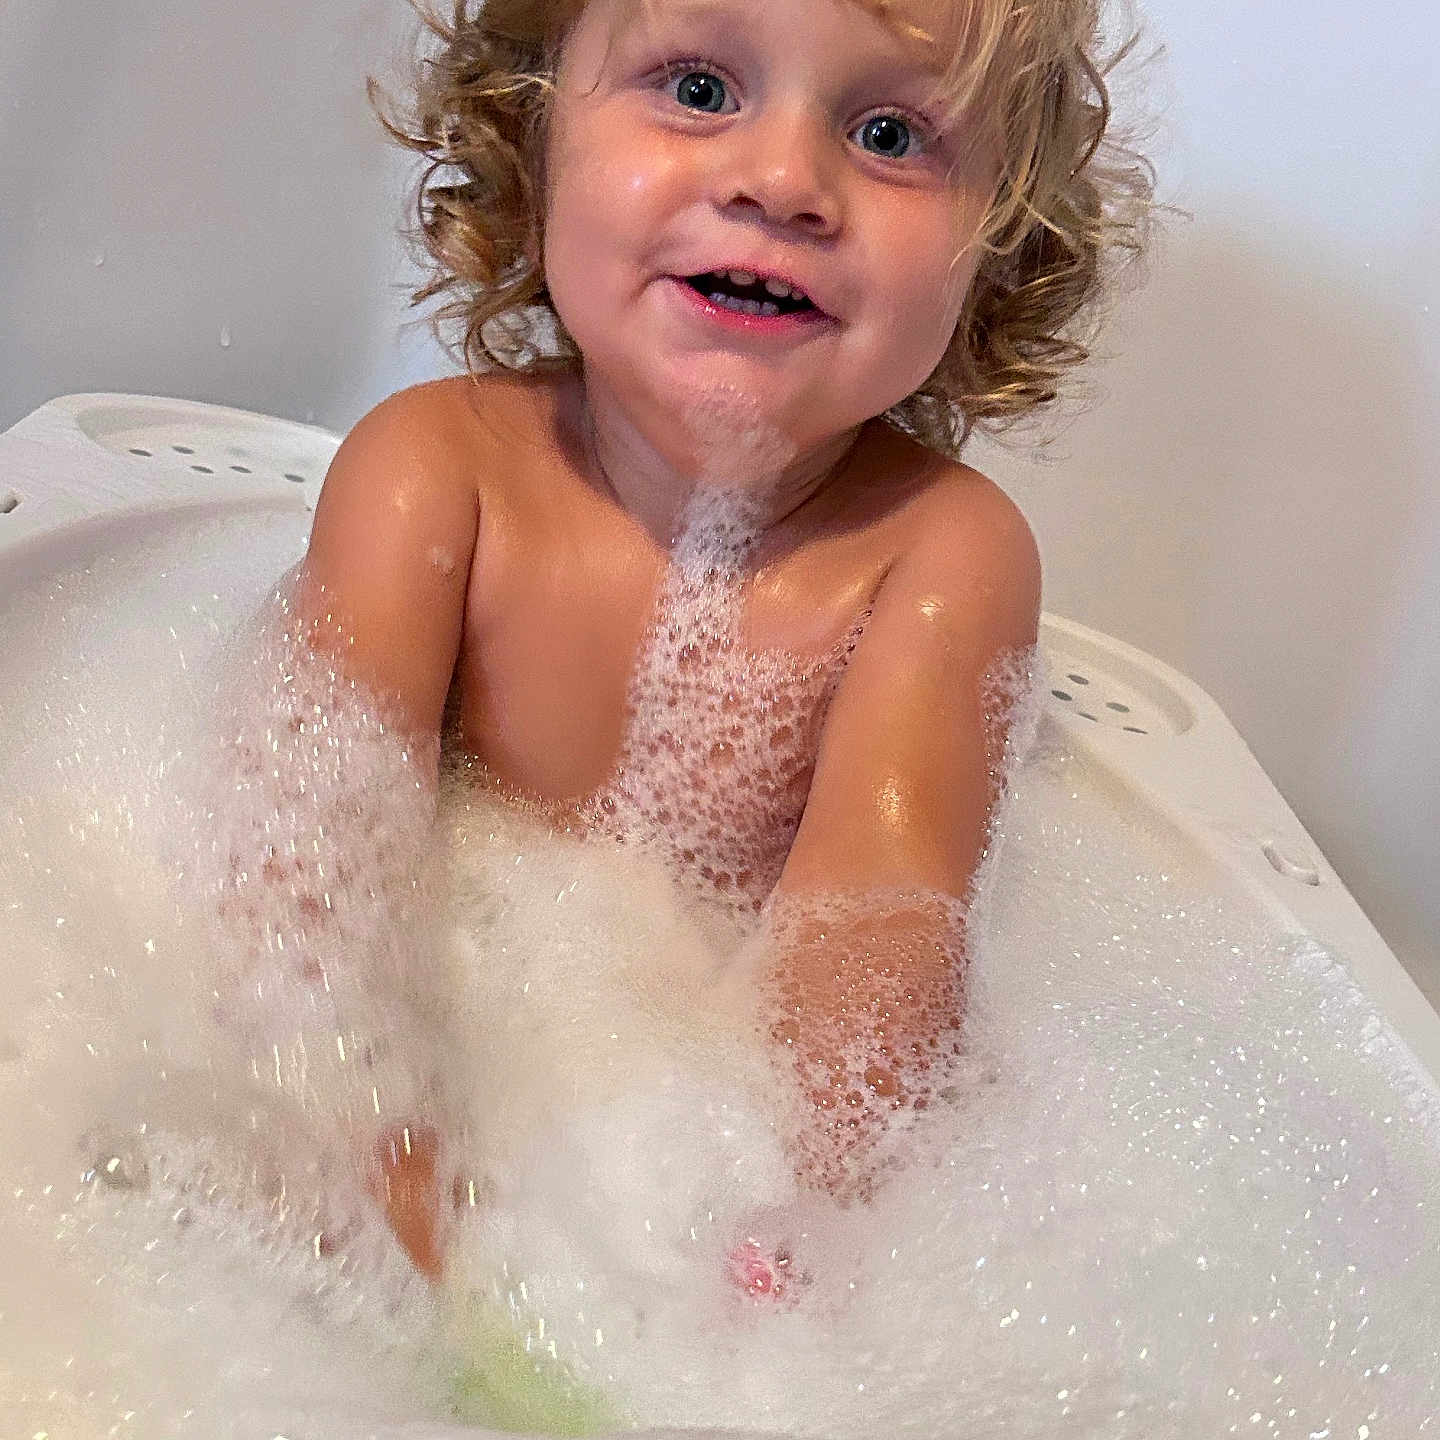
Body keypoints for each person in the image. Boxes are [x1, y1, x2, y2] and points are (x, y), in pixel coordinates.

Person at [286, 0, 1152, 1285]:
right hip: (450, 1053)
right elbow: (307, 863)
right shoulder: (429, 476)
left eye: (890, 131)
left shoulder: (940, 554)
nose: (785, 182)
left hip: (675, 1147)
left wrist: (796, 1202)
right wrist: (372, 1145)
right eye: (698, 89)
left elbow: (878, 935)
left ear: (998, 250)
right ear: (533, 141)